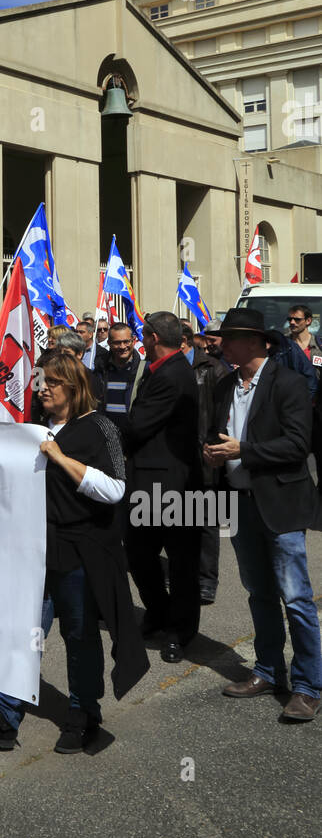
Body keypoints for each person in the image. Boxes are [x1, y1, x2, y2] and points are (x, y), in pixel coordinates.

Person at [0, 351, 147, 753]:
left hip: (80, 551)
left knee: (78, 634)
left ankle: (83, 715)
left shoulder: (100, 428)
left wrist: (62, 460)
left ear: (75, 388)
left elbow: (115, 489)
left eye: (52, 382)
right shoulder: (31, 428)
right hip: (31, 551)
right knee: (22, 633)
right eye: (40, 380)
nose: (42, 388)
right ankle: (3, 717)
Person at [204, 308, 322, 721]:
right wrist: (214, 454)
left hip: (280, 504)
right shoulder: (224, 386)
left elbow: (296, 445)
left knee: (296, 597)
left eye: (230, 338)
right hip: (240, 503)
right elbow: (216, 435)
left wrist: (243, 451)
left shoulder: (287, 383)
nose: (222, 345)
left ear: (254, 342)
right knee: (259, 593)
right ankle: (269, 670)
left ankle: (308, 686)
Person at [123, 311, 202, 664]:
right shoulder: (161, 371)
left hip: (174, 484)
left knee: (182, 562)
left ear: (154, 338)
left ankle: (180, 631)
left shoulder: (172, 374)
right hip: (151, 480)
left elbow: (138, 425)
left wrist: (99, 427)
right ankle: (157, 613)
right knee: (140, 555)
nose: (141, 340)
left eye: (143, 335)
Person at [181, 322, 231, 605]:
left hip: (207, 457)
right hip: (178, 458)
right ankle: (186, 573)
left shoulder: (213, 369)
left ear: (185, 342)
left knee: (207, 522)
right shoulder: (163, 368)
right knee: (178, 518)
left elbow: (222, 415)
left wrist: (211, 448)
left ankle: (206, 581)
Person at [97, 322, 141, 441]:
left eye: (126, 341)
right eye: (117, 343)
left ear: (133, 341)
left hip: (133, 439)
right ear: (109, 343)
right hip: (105, 437)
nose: (122, 347)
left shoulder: (143, 370)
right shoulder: (99, 368)